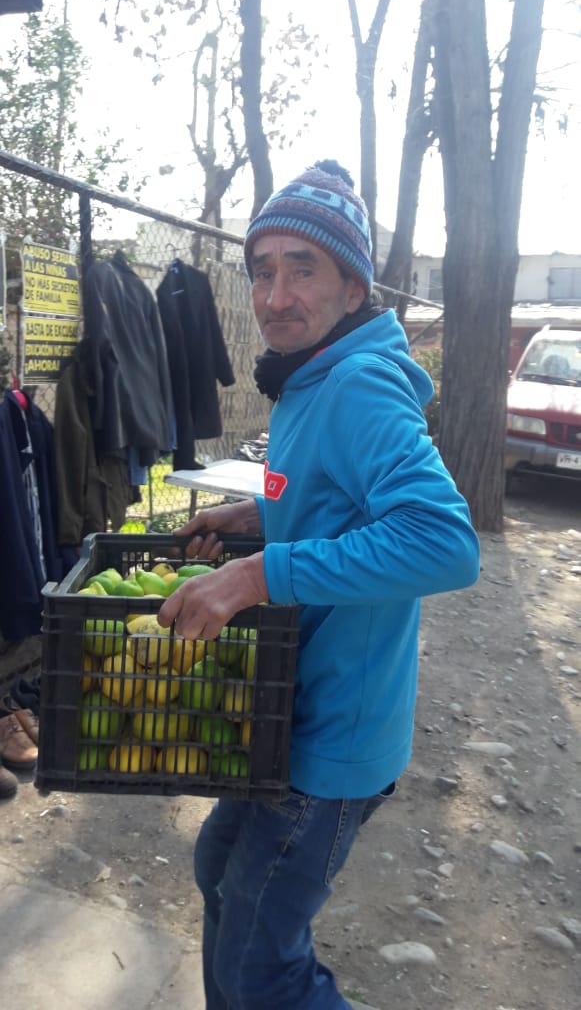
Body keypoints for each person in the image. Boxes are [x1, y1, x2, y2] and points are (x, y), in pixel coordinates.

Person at [158, 159, 481, 1009]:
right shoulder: (306, 381)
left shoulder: (359, 385)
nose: (274, 295)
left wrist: (263, 572)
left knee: (260, 963)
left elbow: (443, 542)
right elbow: (327, 503)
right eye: (262, 269)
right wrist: (253, 522)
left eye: (303, 268)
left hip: (331, 741)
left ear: (351, 285)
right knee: (216, 874)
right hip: (286, 714)